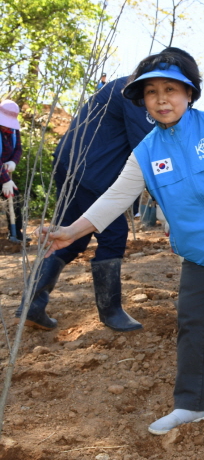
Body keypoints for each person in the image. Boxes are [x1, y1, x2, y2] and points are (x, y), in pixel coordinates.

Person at [42, 47, 204, 436]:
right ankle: (190, 405)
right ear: (143, 101)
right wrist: (70, 232)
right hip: (201, 249)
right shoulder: (146, 151)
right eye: (151, 93)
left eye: (171, 89)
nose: (161, 99)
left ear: (189, 93)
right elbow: (115, 198)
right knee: (191, 321)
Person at [16, 76, 155, 332]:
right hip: (92, 170)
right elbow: (148, 144)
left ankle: (33, 304)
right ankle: (111, 311)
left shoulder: (122, 86)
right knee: (113, 234)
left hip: (73, 164)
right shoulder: (135, 93)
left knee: (72, 235)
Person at [0, 100, 22, 238]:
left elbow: (18, 149)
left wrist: (13, 161)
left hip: (3, 173)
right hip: (3, 175)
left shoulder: (14, 131)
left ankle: (15, 233)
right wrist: (6, 180)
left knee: (14, 196)